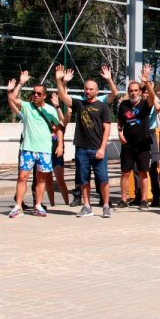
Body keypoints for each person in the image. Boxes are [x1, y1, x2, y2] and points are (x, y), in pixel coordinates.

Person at [58, 64, 117, 217]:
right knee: (84, 179)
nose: (88, 91)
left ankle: (105, 206)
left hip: (97, 148)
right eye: (86, 88)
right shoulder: (79, 104)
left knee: (103, 179)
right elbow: (63, 96)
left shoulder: (103, 106)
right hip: (81, 149)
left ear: (96, 91)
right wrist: (60, 81)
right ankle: (86, 206)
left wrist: (102, 148)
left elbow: (107, 128)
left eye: (91, 89)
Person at [7, 70, 64, 218]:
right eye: (34, 92)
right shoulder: (26, 106)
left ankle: (38, 205)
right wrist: (21, 83)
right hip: (27, 149)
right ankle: (18, 206)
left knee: (41, 178)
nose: (36, 95)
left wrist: (60, 145)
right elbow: (13, 97)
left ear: (44, 95)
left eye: (39, 93)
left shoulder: (50, 110)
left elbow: (59, 127)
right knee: (22, 177)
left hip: (44, 150)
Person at [117, 66, 157, 210]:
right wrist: (119, 133)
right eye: (131, 91)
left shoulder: (145, 104)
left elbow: (153, 98)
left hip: (143, 143)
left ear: (140, 92)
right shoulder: (124, 105)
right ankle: (123, 199)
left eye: (135, 90)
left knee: (142, 172)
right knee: (125, 172)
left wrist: (146, 83)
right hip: (128, 144)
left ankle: (144, 200)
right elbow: (120, 121)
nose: (133, 93)